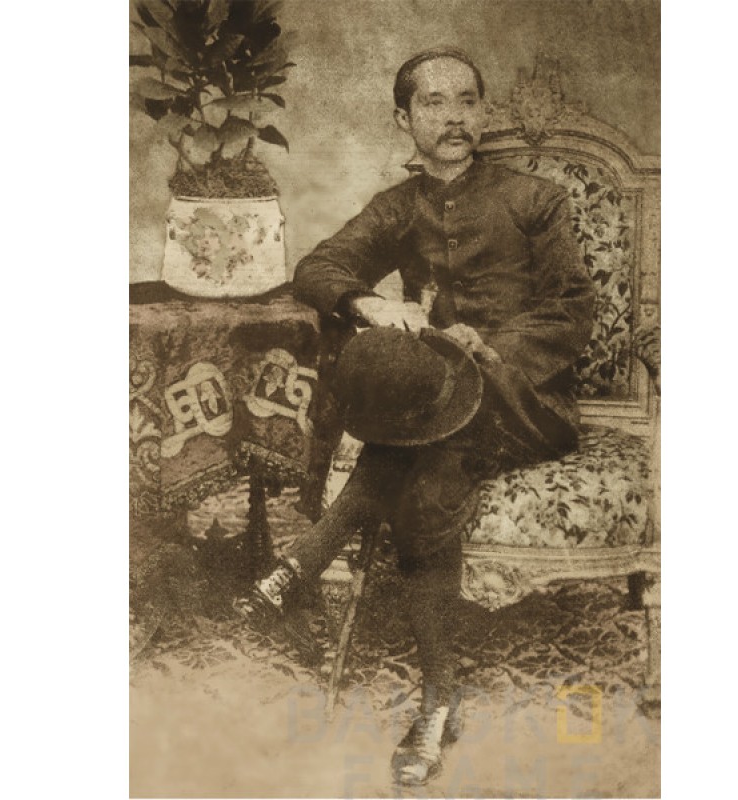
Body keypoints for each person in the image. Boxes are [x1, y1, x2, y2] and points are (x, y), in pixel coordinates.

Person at [237, 46, 595, 785]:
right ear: (403, 119)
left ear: (483, 112)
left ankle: (310, 555)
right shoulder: (399, 208)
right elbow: (317, 268)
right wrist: (371, 303)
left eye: (467, 100)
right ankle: (439, 699)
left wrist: (485, 351)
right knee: (428, 460)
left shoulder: (535, 199)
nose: (455, 117)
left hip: (527, 399)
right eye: (434, 103)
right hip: (441, 408)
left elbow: (570, 312)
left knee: (424, 425)